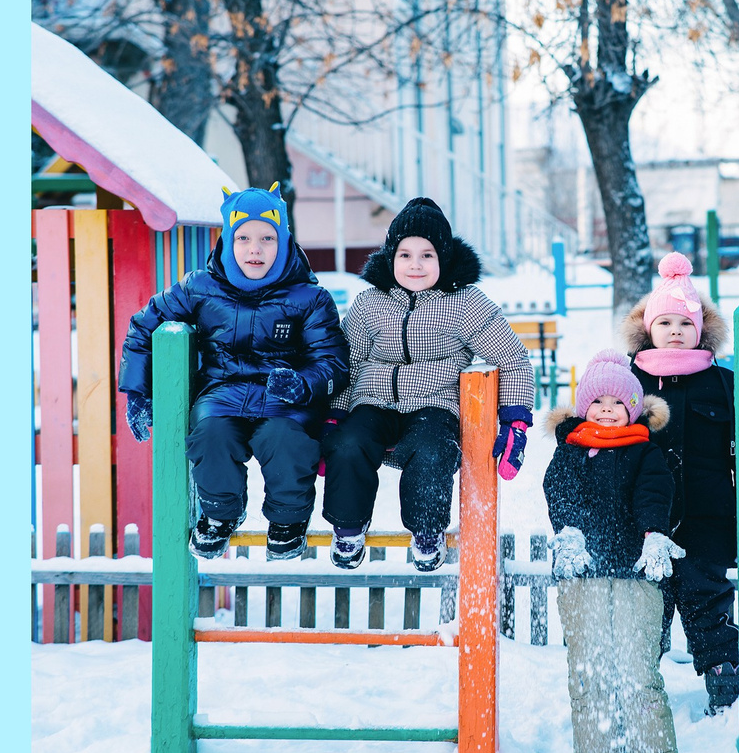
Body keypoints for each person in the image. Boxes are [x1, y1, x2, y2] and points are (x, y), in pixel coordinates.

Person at [118, 185, 349, 559]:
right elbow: (145, 325)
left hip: (285, 398)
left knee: (285, 438)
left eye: (266, 238)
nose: (254, 249)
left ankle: (288, 518)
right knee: (211, 433)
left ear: (285, 241)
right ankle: (220, 514)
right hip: (222, 392)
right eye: (243, 237)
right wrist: (139, 390)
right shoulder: (199, 287)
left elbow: (334, 361)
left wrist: (304, 383)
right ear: (227, 239)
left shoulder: (309, 297)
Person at [320, 199, 535, 573]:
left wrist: (515, 420)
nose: (415, 265)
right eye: (404, 254)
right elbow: (348, 362)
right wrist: (335, 415)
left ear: (444, 258)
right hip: (373, 401)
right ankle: (349, 527)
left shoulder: (465, 304)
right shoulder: (370, 303)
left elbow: (512, 359)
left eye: (426, 255)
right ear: (390, 257)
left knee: (434, 450)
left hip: (434, 405)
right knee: (348, 444)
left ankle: (426, 531)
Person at [543, 353, 680, 753]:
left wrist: (654, 532)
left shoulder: (646, 452)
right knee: (588, 672)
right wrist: (568, 533)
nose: (606, 408)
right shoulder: (571, 452)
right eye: (597, 400)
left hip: (634, 575)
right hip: (583, 576)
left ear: (634, 409)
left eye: (617, 402)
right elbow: (558, 493)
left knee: (639, 672)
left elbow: (654, 495)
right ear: (583, 407)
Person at [624, 256, 739, 715]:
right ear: (649, 329)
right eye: (665, 322)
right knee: (646, 597)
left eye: (685, 323)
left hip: (708, 513)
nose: (675, 330)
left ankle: (722, 671)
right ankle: (638, 679)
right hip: (643, 515)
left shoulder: (724, 383)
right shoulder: (629, 381)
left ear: (701, 330)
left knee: (702, 587)